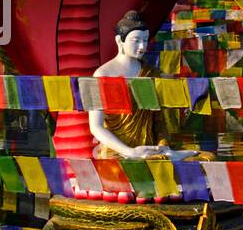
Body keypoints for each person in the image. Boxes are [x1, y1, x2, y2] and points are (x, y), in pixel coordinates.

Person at [88, 10, 207, 161]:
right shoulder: (102, 75)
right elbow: (96, 127)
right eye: (136, 40)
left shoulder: (151, 73)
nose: (142, 46)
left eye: (145, 40)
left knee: (204, 159)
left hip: (150, 149)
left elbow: (158, 121)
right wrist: (130, 152)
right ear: (120, 41)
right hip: (117, 152)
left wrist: (164, 147)